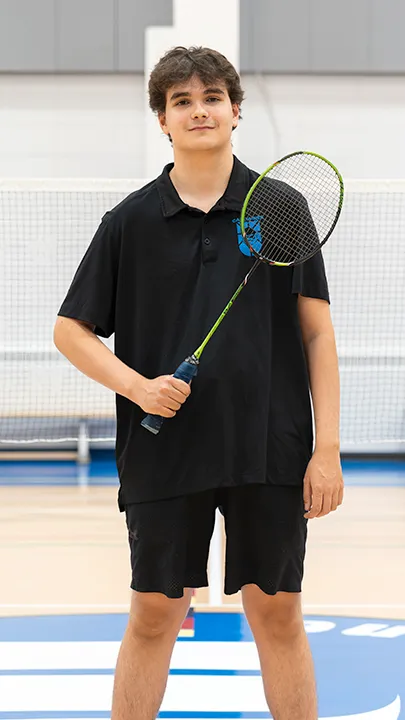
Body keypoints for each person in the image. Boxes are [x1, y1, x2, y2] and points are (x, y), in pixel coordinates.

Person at [54, 46, 344, 720]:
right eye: (180, 101)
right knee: (155, 614)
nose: (198, 110)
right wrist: (137, 386)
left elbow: (316, 335)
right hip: (164, 453)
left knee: (277, 615)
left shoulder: (278, 207)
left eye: (211, 97)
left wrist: (324, 448)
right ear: (161, 119)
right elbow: (71, 330)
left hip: (267, 449)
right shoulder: (129, 221)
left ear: (235, 110)